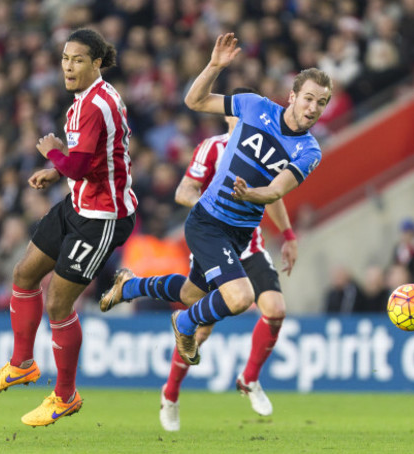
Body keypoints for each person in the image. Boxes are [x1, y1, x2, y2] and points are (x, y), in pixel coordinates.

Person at [99, 32, 331, 423]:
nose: (313, 108)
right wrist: (215, 67)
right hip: (208, 223)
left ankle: (130, 285)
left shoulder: (309, 151)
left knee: (193, 291)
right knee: (239, 299)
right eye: (308, 98)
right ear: (292, 96)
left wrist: (253, 197)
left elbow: (276, 191)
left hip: (244, 235)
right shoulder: (254, 106)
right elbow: (194, 101)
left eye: (321, 103)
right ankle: (183, 331)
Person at [107, 86, 298, 430]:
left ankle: (250, 379)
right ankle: (171, 394)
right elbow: (183, 192)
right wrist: (213, 211)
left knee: (276, 309)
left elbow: (276, 194)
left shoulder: (272, 146)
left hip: (249, 245)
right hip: (214, 237)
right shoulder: (212, 148)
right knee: (197, 315)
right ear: (228, 117)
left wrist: (287, 235)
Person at [0, 28, 137, 427]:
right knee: (24, 273)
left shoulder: (95, 104)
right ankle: (22, 364)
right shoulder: (88, 100)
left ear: (96, 63)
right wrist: (56, 170)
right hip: (78, 203)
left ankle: (65, 396)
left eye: (78, 59)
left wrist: (52, 152)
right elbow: (90, 159)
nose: (68, 66)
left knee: (59, 304)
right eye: (65, 58)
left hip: (102, 217)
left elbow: (81, 166)